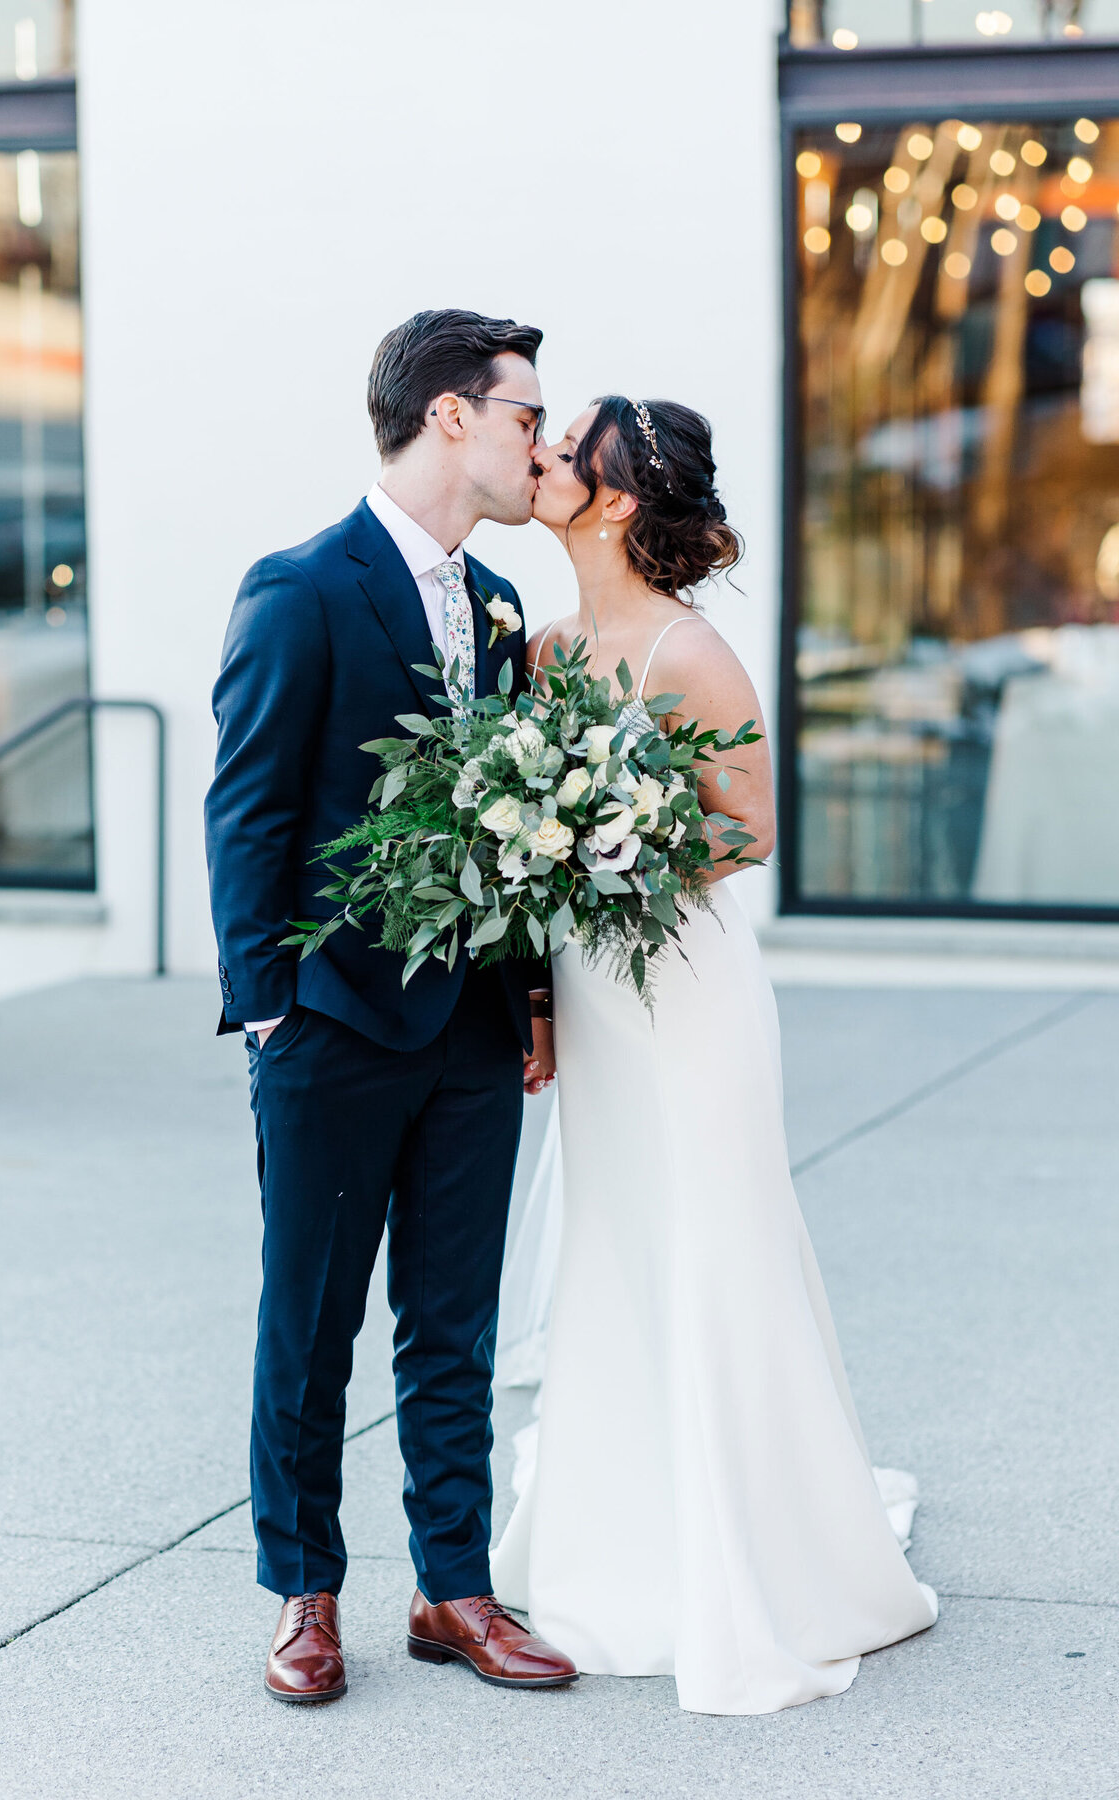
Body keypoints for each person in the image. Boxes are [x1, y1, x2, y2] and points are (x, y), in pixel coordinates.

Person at [489, 395, 938, 1714]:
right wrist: (541, 993)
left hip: (686, 986)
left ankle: (761, 1556)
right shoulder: (548, 650)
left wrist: (610, 839)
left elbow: (749, 830)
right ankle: (620, 1531)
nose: (545, 459)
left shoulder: (689, 652)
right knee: (617, 1239)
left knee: (715, 1235)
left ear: (616, 499)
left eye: (567, 452)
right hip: (592, 982)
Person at [204, 309, 576, 1703]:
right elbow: (247, 808)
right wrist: (269, 1011)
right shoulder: (299, 587)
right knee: (309, 1325)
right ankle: (304, 1593)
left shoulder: (496, 611)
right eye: (527, 414)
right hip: (334, 1022)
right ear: (453, 418)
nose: (540, 437)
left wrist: (530, 1002)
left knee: (454, 1322)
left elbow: (519, 828)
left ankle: (455, 1589)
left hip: (473, 1032)